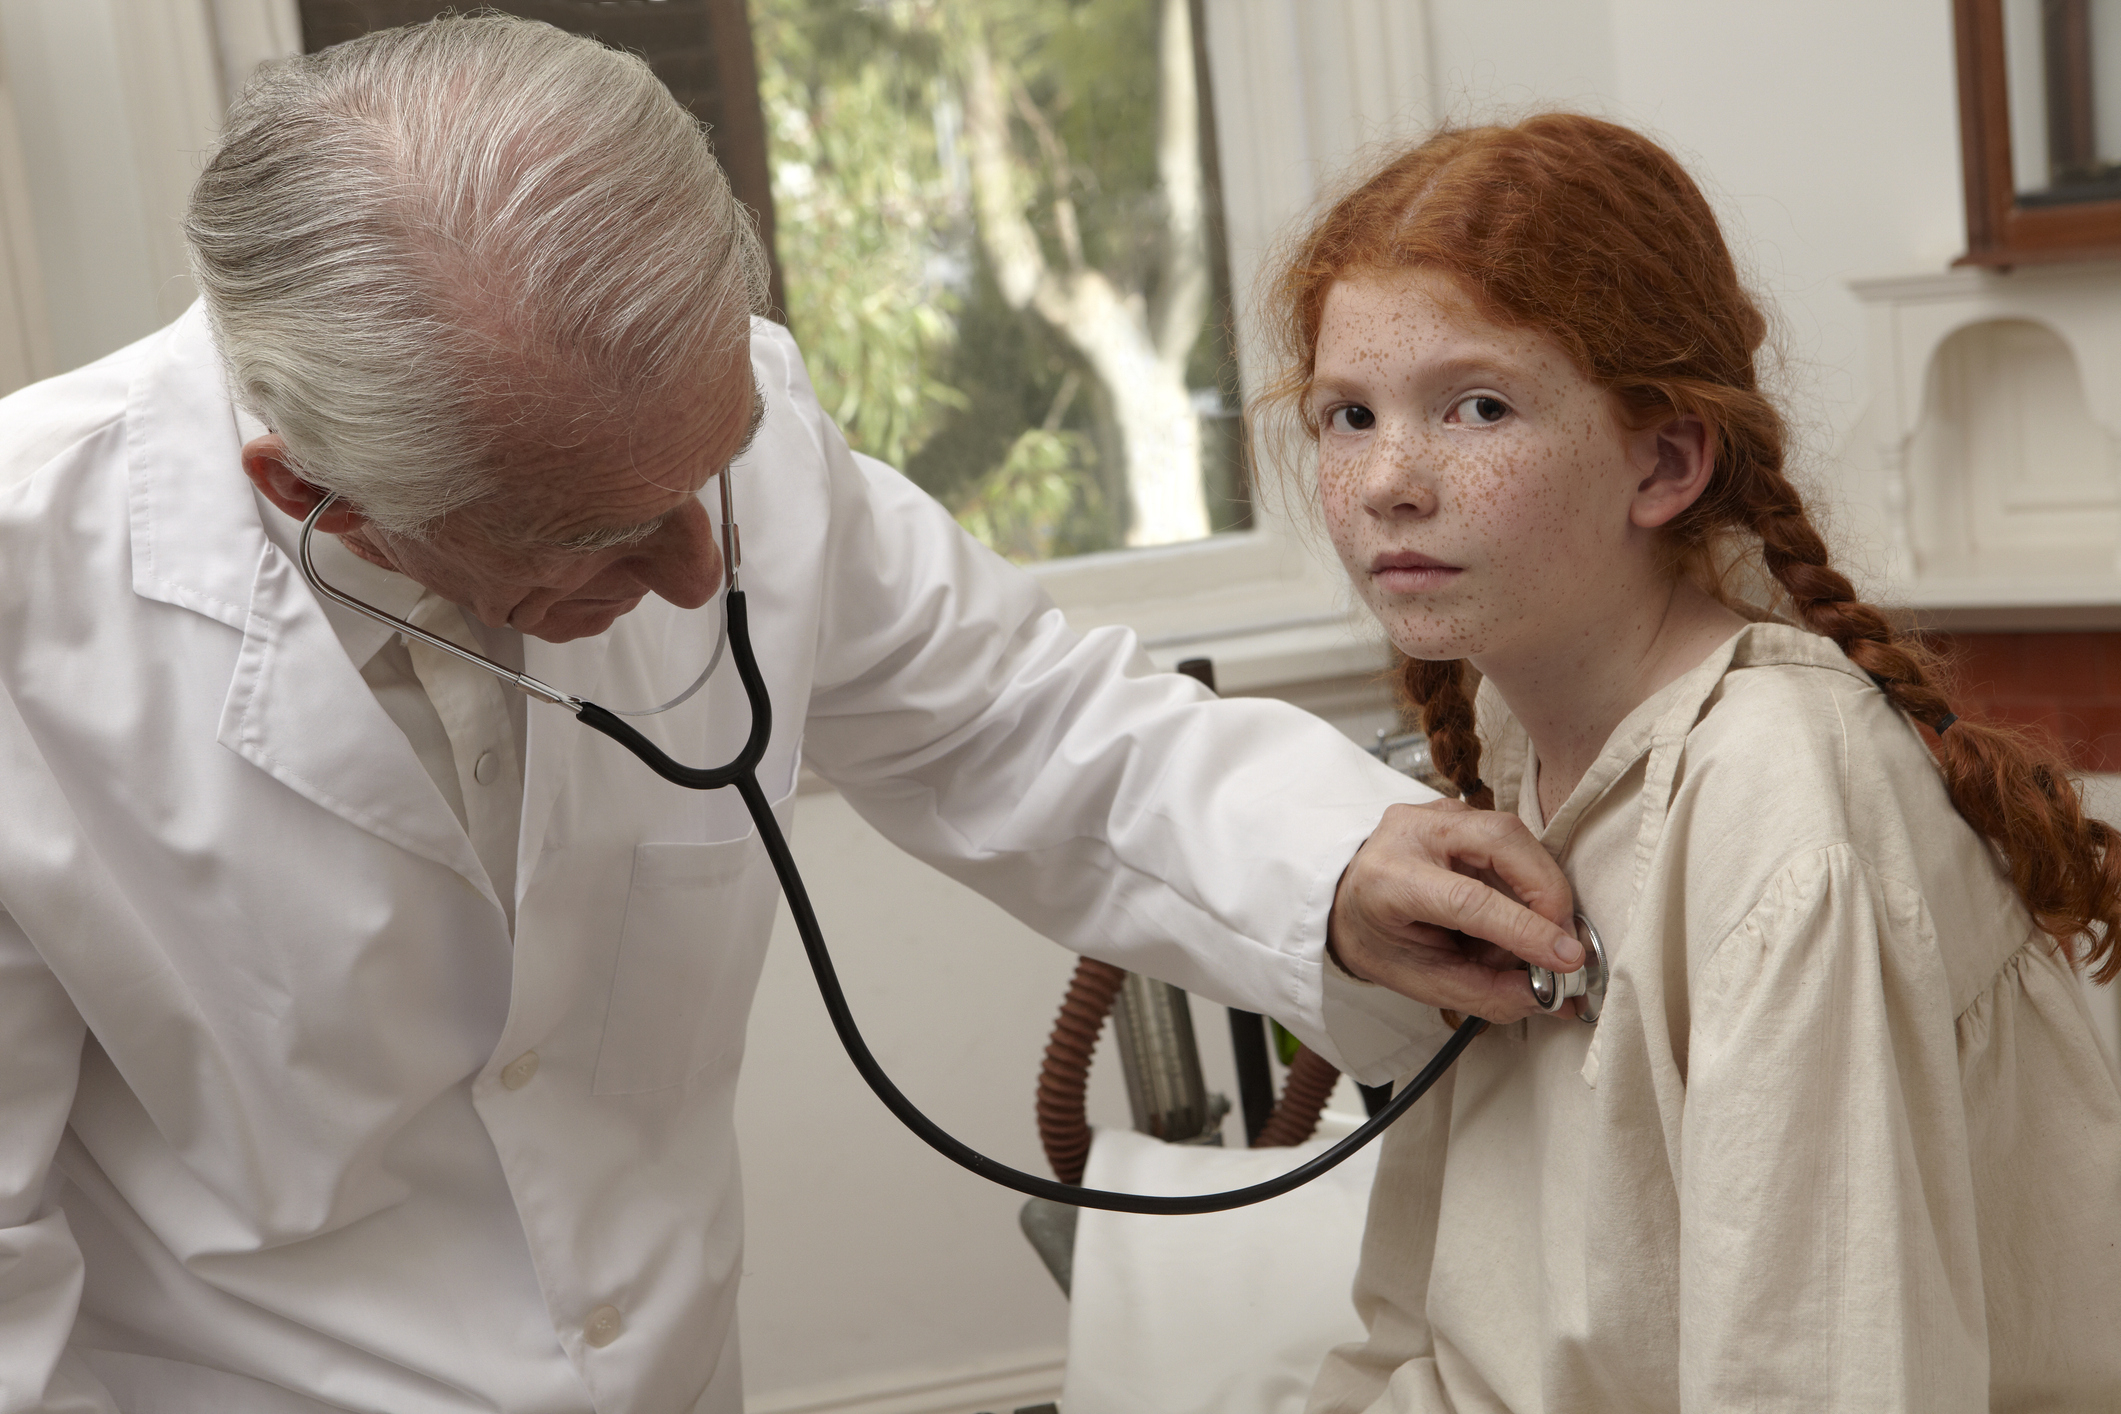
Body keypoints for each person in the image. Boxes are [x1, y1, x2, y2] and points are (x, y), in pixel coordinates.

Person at [0, 18, 1583, 1413]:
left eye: (715, 465)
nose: (699, 564)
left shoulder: (691, 416)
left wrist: (1335, 862)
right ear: (316, 493)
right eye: (601, 535)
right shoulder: (28, 613)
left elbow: (1020, 723)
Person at [1272, 114, 2121, 1413]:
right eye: (1347, 413)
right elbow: (1455, 1330)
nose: (1387, 477)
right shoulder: (1523, 745)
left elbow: (1821, 1373)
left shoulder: (1781, 804)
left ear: (1661, 459)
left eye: (1476, 405)